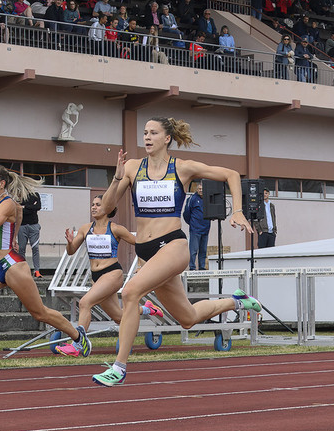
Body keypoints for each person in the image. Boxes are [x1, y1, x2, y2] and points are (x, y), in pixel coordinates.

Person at [92, 117, 262, 386]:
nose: (147, 137)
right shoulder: (133, 167)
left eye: (153, 133)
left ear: (167, 138)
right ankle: (237, 301)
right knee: (188, 318)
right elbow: (108, 207)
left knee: (131, 292)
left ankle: (119, 367)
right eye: (144, 133)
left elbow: (230, 174)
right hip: (147, 252)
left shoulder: (181, 168)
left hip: (173, 245)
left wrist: (238, 211)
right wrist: (116, 177)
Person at [0, 165, 89, 372]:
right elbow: (16, 217)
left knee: (39, 312)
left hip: (12, 265)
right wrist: (14, 236)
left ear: (2, 184)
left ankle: (79, 337)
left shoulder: (6, 204)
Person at [56, 196, 163, 357]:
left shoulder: (116, 229)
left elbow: (140, 244)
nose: (93, 207)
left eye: (98, 205)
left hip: (112, 273)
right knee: (119, 317)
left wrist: (143, 265)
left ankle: (78, 345)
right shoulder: (86, 228)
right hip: (96, 277)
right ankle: (148, 308)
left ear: (107, 208)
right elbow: (71, 252)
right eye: (92, 204)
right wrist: (70, 243)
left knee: (85, 302)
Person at [183, 182, 211, 269]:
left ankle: (202, 267)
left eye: (202, 189)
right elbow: (186, 214)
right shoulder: (192, 199)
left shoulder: (208, 199)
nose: (201, 191)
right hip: (195, 229)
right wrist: (192, 223)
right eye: (199, 189)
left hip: (206, 229)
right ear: (197, 189)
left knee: (203, 250)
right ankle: (192, 267)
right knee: (193, 250)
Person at [18, 190, 42, 278]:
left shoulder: (35, 194)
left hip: (34, 225)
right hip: (22, 225)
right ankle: (22, 270)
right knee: (21, 249)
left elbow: (38, 206)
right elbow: (18, 210)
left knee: (35, 248)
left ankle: (37, 270)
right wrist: (32, 207)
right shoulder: (19, 195)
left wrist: (24, 207)